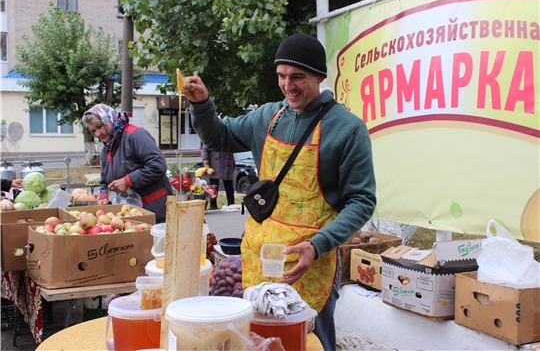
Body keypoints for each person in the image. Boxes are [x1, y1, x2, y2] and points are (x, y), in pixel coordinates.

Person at [182, 33, 376, 350]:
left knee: (310, 338)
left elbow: (362, 201)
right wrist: (202, 104)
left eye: (298, 77)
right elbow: (220, 137)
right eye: (282, 76)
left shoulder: (348, 129)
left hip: (309, 262)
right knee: (260, 337)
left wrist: (318, 245)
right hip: (262, 254)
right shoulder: (268, 116)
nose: (289, 86)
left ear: (319, 76)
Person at [82, 104, 173, 224]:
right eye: (93, 130)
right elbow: (104, 181)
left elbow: (157, 165)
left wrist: (128, 181)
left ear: (109, 120)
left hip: (156, 211)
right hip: (129, 214)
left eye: (99, 127)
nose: (98, 133)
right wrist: (104, 195)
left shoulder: (136, 135)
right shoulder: (107, 149)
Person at [200, 144, 235, 210]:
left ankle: (231, 204)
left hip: (227, 164)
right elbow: (204, 150)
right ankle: (213, 206)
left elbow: (231, 151)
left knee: (229, 188)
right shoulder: (211, 135)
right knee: (213, 187)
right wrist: (206, 163)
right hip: (215, 164)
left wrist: (233, 163)